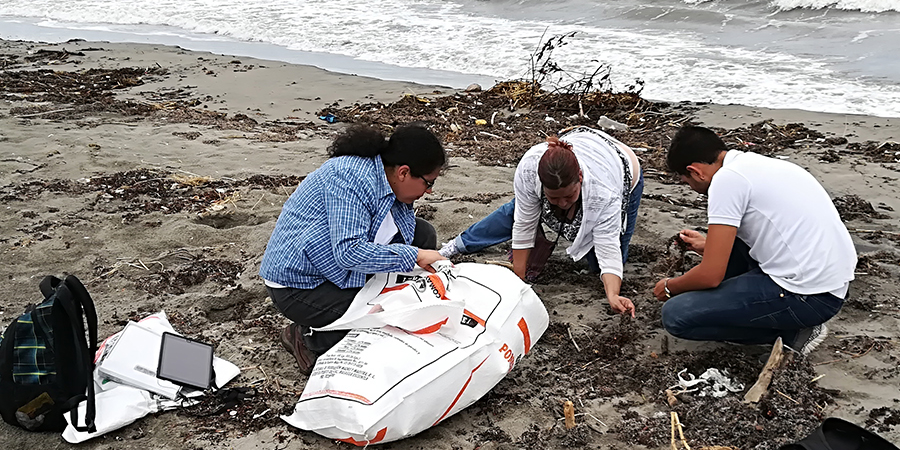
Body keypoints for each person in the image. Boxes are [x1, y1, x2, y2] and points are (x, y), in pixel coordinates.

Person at [654, 124, 857, 355]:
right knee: (729, 252)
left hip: (808, 296)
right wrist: (708, 245)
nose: (690, 187)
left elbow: (710, 276)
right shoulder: (760, 164)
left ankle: (792, 332)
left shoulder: (726, 181)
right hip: (834, 285)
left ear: (695, 171)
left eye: (685, 180)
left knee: (676, 315)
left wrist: (670, 287)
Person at [260, 122, 447, 373]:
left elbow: (405, 236)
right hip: (300, 285)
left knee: (423, 234)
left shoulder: (390, 182)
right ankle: (306, 338)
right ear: (403, 172)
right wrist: (415, 256)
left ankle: (379, 300)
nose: (430, 191)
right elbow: (348, 253)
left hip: (332, 264)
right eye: (428, 183)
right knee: (386, 324)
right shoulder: (350, 178)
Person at [438, 127, 644, 317]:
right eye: (554, 198)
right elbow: (524, 225)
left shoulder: (605, 193)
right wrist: (518, 280)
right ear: (541, 184)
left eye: (568, 197)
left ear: (580, 177)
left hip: (622, 166)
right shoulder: (529, 170)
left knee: (600, 265)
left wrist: (613, 296)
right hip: (578, 151)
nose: (562, 204)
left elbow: (608, 247)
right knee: (516, 211)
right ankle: (458, 244)